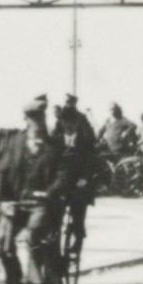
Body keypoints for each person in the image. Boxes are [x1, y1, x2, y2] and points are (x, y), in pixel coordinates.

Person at [0, 98, 61, 284]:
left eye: (41, 118)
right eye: (33, 118)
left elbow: (63, 176)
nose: (38, 123)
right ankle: (17, 283)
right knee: (2, 240)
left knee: (33, 236)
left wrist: (49, 192)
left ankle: (35, 283)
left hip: (41, 205)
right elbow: (3, 171)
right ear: (26, 120)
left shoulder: (54, 146)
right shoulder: (16, 144)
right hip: (17, 203)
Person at [50, 93, 99, 258]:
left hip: (80, 174)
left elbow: (90, 154)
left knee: (79, 207)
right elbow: (52, 150)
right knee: (55, 211)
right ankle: (54, 250)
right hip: (63, 175)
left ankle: (78, 239)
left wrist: (85, 177)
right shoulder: (59, 124)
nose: (68, 125)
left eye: (70, 102)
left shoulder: (83, 122)